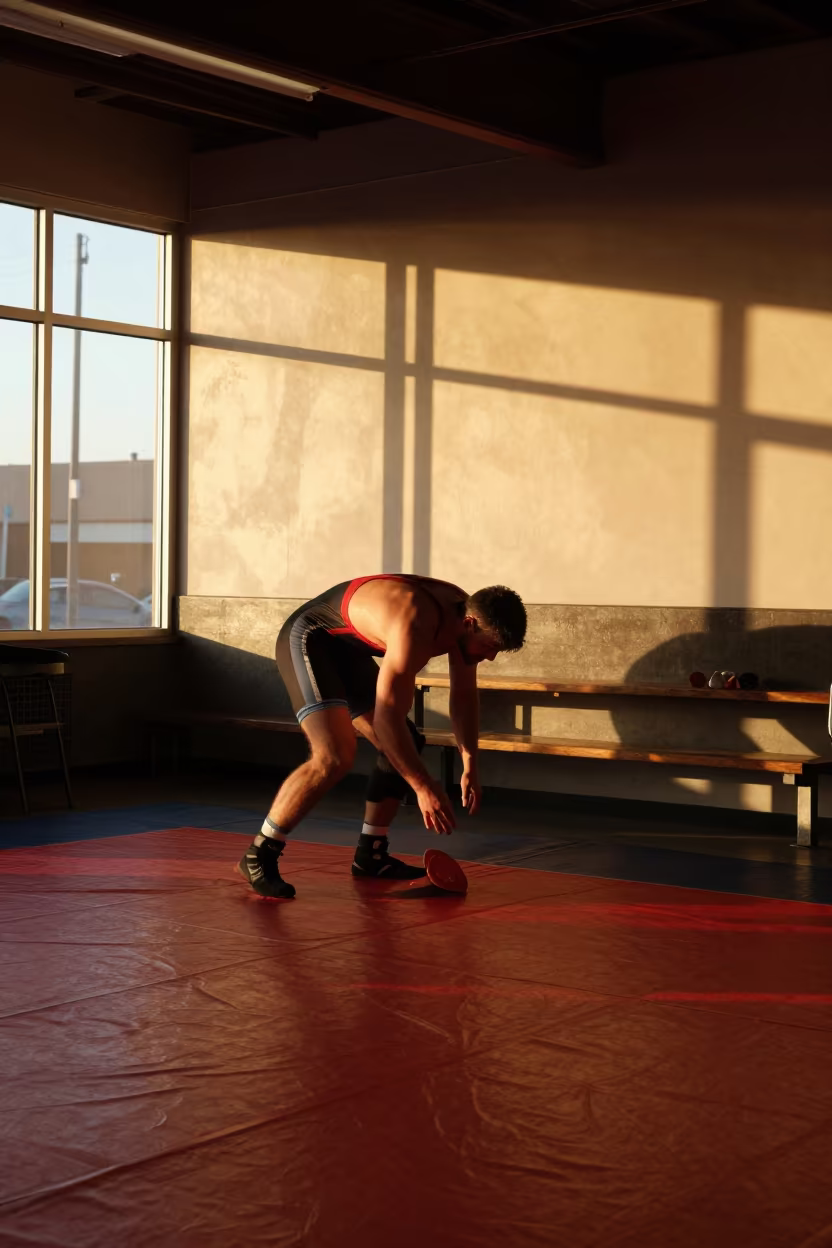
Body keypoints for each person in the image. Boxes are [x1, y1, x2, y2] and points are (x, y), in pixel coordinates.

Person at [237, 574, 527, 899]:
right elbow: (388, 719)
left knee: (407, 743)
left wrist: (470, 762)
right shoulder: (416, 622)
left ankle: (370, 856)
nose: (491, 657)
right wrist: (423, 787)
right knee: (333, 755)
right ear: (470, 623)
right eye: (490, 647)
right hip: (311, 637)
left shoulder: (465, 621)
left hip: (347, 648)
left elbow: (462, 695)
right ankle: (259, 854)